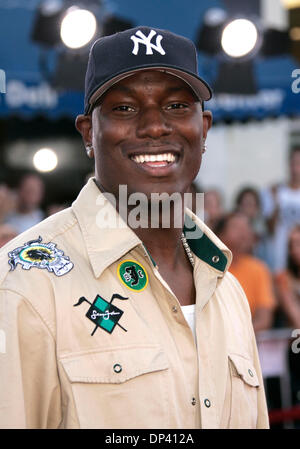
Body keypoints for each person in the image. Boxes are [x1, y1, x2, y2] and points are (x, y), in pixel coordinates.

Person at [0, 26, 269, 429]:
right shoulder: (25, 285)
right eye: (125, 109)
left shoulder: (226, 289)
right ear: (89, 133)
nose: (155, 126)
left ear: (205, 128)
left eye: (177, 106)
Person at [215, 212, 276, 333]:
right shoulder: (208, 267)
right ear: (220, 235)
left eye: (247, 227)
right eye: (236, 227)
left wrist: (238, 337)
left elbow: (264, 319)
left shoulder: (259, 269)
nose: (244, 232)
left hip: (246, 340)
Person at [260, 146, 300, 272]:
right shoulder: (274, 191)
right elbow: (269, 228)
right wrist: (276, 203)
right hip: (279, 257)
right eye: (293, 163)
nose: (296, 168)